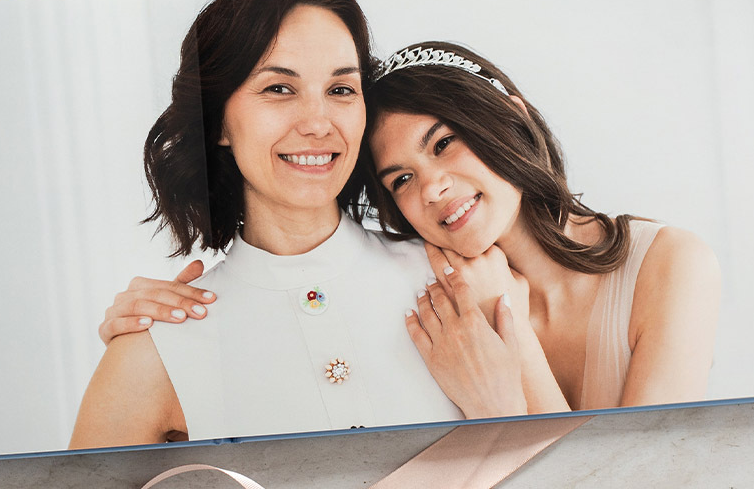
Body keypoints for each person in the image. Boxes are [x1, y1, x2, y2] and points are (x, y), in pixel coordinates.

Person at [99, 38, 720, 417]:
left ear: (512, 117)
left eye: (444, 143)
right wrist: (153, 326)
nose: (433, 188)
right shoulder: (427, 294)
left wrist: (506, 373)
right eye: (400, 179)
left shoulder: (670, 264)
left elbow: (639, 481)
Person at [70, 0, 530, 451]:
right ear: (218, 121)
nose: (317, 121)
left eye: (341, 89)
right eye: (279, 88)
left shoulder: (466, 280)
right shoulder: (156, 348)